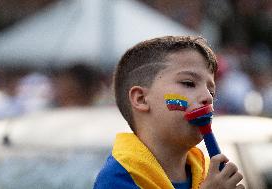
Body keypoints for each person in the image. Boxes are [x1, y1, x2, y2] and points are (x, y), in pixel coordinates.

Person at [93, 36, 244, 189]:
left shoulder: (207, 174)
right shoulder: (117, 178)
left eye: (211, 91)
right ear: (141, 99)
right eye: (189, 83)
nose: (207, 98)